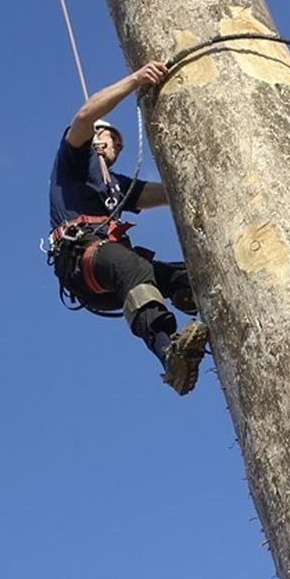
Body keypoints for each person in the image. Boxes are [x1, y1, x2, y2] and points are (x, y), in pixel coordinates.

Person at [48, 61, 209, 396]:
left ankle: (204, 308)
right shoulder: (75, 160)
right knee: (133, 267)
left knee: (184, 275)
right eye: (112, 139)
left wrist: (203, 181)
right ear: (96, 138)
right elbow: (84, 117)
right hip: (81, 257)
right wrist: (137, 79)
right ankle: (170, 356)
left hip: (112, 271)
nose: (117, 147)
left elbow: (168, 194)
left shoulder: (117, 185)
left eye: (121, 146)